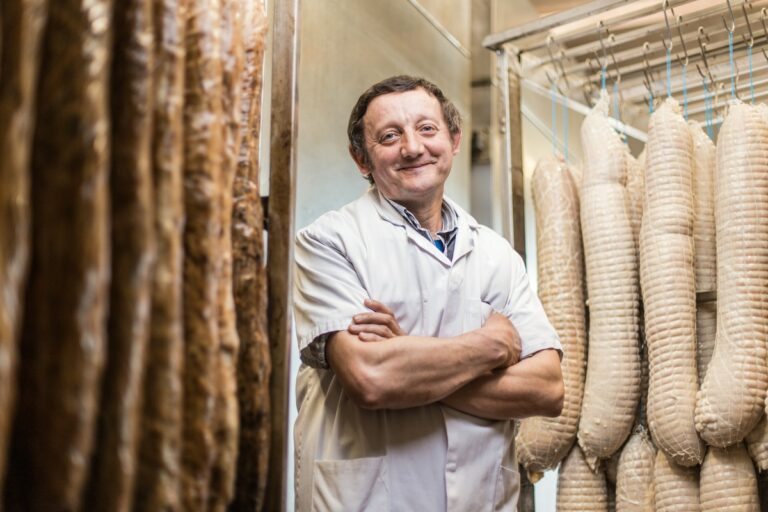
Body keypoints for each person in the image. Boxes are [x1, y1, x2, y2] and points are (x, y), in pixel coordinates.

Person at [293, 75, 564, 511]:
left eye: (427, 129)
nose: (413, 147)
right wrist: (491, 345)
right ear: (361, 160)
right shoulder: (329, 241)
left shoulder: (497, 254)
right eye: (389, 136)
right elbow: (371, 379)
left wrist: (405, 354)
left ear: (453, 140)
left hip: (481, 498)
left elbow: (547, 391)